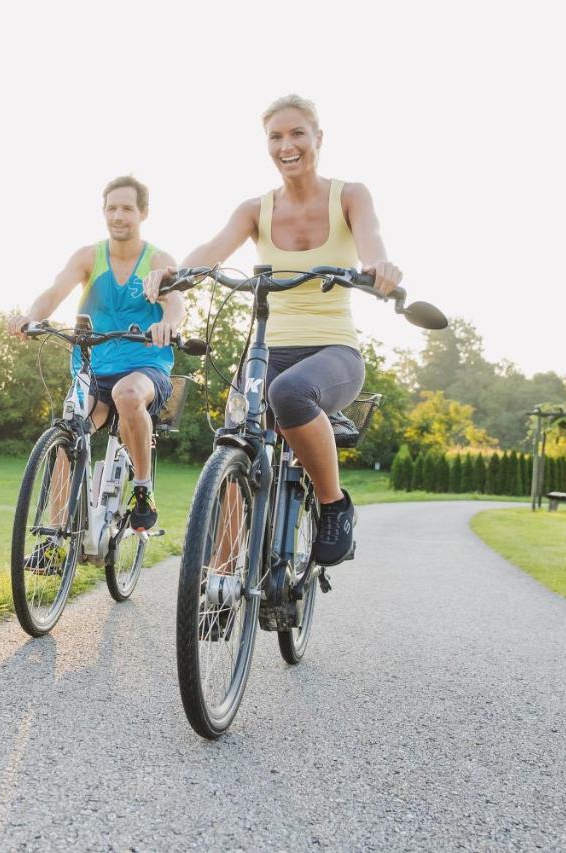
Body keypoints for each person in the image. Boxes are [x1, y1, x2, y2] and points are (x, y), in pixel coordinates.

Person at [145, 94, 402, 566]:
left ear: (318, 139)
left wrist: (378, 266)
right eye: (276, 136)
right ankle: (220, 581)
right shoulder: (254, 209)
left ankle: (333, 504)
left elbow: (371, 239)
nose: (288, 145)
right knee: (233, 438)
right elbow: (213, 248)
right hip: (268, 349)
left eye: (297, 133)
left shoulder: (350, 195)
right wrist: (173, 273)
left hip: (333, 352)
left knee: (288, 393)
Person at [9, 176, 184, 565]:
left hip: (144, 366)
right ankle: (54, 540)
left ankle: (141, 488)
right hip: (93, 367)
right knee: (69, 430)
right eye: (111, 208)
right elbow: (56, 291)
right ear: (103, 212)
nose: (118, 216)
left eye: (127, 208)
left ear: (143, 213)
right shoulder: (89, 256)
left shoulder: (157, 259)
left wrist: (167, 324)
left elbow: (175, 303)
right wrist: (31, 317)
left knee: (127, 395)